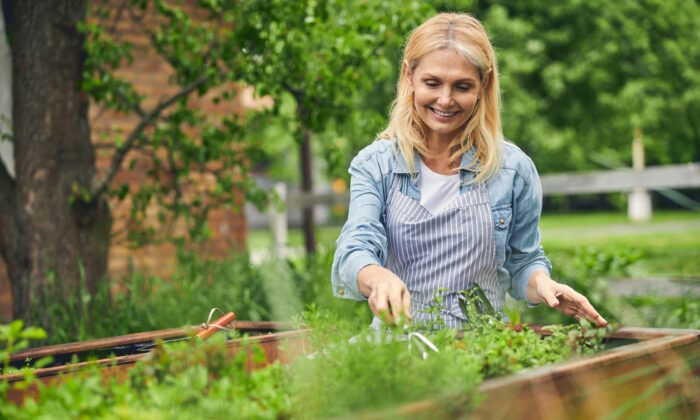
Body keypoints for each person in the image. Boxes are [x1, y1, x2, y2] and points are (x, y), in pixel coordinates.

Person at [331, 13, 608, 330]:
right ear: (409, 76)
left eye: (462, 86)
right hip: (398, 348)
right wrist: (377, 278)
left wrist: (543, 282)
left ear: (483, 85)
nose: (445, 100)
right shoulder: (376, 165)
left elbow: (522, 262)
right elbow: (355, 247)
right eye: (432, 83)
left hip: (486, 346)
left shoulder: (513, 170)